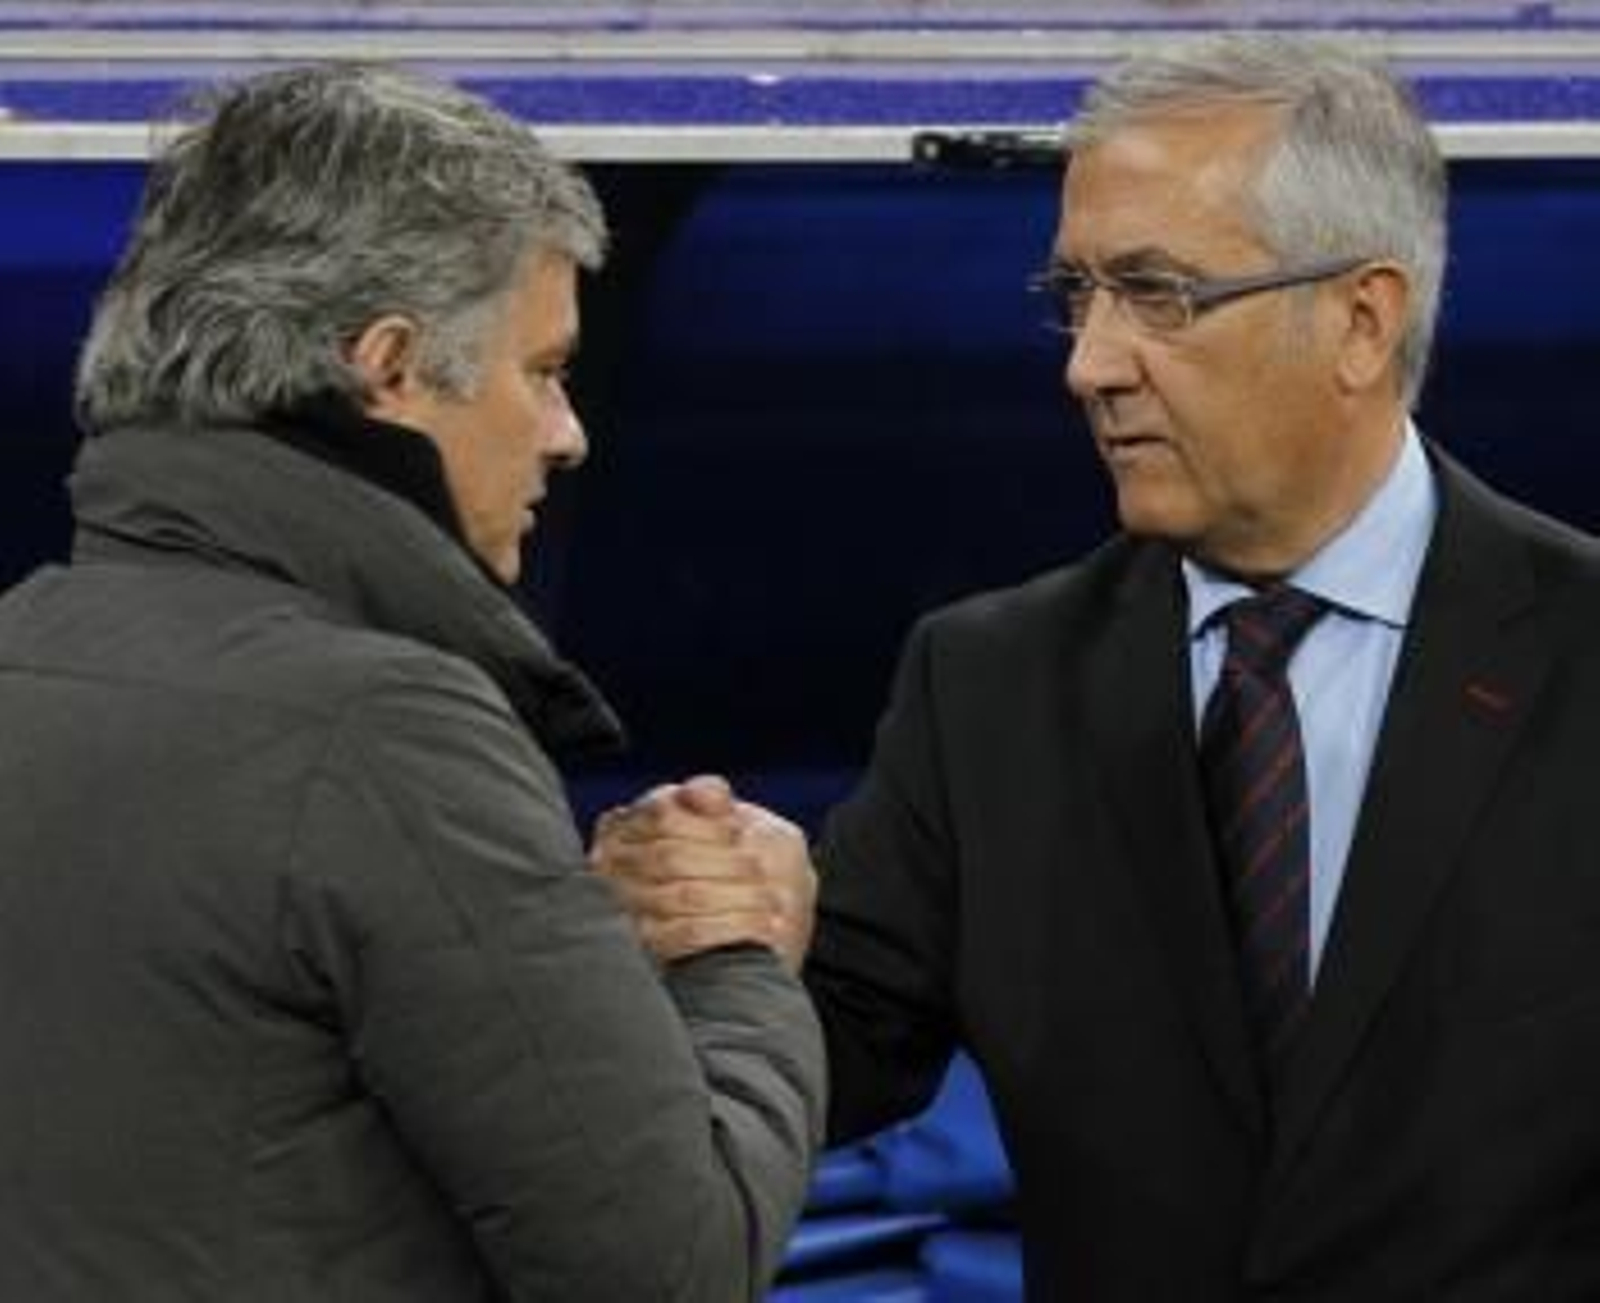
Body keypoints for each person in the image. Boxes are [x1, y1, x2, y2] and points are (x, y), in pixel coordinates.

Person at [595, 31, 1600, 1300]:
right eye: (1077, 295)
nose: (1089, 364)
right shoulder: (989, 686)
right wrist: (717, 930)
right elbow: (830, 1055)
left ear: (1361, 319)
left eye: (1158, 294)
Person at [0, 63, 823, 1302]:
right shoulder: (380, 734)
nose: (568, 431)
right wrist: (737, 961)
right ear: (388, 367)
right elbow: (670, 1265)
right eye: (540, 371)